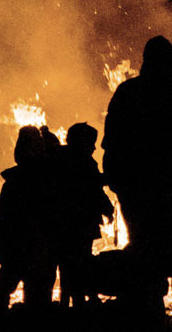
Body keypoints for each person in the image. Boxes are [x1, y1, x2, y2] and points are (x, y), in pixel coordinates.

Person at [101, 36, 172, 329]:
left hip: (139, 197)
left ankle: (149, 320)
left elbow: (112, 145)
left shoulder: (128, 94)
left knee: (145, 258)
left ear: (145, 59)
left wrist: (117, 181)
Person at [0, 126, 56, 313]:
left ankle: (1, 309)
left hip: (17, 243)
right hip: (34, 244)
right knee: (35, 286)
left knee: (10, 277)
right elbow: (4, 215)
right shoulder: (47, 180)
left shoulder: (14, 181)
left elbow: (3, 215)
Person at [53, 122, 114, 308]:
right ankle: (80, 302)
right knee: (80, 263)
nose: (94, 147)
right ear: (82, 142)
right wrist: (108, 209)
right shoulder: (85, 163)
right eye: (91, 143)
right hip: (82, 224)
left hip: (60, 224)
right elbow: (94, 190)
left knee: (65, 266)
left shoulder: (58, 160)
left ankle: (66, 302)